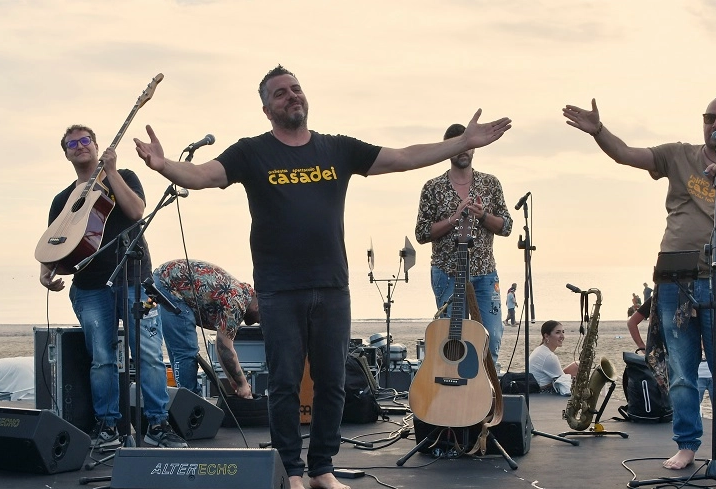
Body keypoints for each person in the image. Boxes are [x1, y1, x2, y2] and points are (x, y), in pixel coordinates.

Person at [134, 65, 512, 489]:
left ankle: (321, 469)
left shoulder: (337, 149)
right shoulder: (251, 152)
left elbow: (404, 158)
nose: (292, 96)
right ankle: (292, 471)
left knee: (332, 383)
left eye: (296, 89)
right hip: (278, 290)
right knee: (284, 384)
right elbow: (202, 176)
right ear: (266, 108)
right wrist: (164, 165)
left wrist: (460, 143)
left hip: (332, 286)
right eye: (280, 93)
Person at [563, 95, 716, 472]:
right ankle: (687, 444)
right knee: (681, 370)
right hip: (675, 282)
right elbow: (625, 153)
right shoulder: (679, 155)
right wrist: (598, 131)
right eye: (710, 118)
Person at [39, 125, 187, 449]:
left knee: (148, 354)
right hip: (90, 286)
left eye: (84, 140)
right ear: (65, 153)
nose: (79, 146)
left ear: (95, 145)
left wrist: (112, 171)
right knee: (102, 358)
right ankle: (108, 427)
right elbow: (54, 240)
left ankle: (158, 425)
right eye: (71, 143)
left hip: (134, 279)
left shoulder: (125, 176)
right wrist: (44, 270)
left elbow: (136, 211)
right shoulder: (62, 199)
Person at [414, 123, 513, 369]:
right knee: (450, 342)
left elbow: (507, 226)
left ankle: (484, 395)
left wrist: (483, 216)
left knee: (491, 338)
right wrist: (453, 219)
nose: (463, 151)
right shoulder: (432, 187)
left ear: (474, 149)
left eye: (467, 145)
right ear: (448, 150)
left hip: (485, 274)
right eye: (458, 145)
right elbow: (422, 233)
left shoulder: (490, 184)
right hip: (447, 273)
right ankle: (453, 396)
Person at [152, 259, 259, 398]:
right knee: (185, 352)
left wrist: (234, 381)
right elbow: (224, 348)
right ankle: (189, 403)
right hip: (170, 285)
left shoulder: (241, 295)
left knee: (179, 352)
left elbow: (221, 350)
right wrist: (243, 384)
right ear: (258, 306)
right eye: (261, 319)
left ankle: (183, 401)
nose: (259, 323)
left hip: (166, 280)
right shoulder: (237, 303)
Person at [627, 297, 712, 407]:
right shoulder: (660, 297)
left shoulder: (704, 294)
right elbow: (632, 323)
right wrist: (644, 348)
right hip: (681, 366)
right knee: (684, 407)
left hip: (699, 366)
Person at [528, 320, 579, 395]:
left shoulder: (541, 349)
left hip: (538, 385)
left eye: (563, 332)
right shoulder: (549, 356)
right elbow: (565, 384)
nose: (562, 336)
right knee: (577, 369)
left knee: (577, 365)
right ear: (546, 336)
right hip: (542, 391)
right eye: (558, 332)